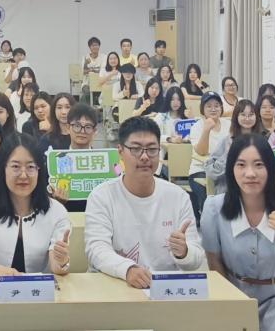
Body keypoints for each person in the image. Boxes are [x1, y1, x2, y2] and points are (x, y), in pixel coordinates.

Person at [201, 134, 275, 331]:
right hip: (232, 295)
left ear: (271, 169)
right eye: (241, 165)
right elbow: (215, 264)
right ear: (231, 169)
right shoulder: (214, 209)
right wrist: (230, 306)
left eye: (259, 165)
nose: (250, 173)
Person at [85, 117, 204, 289]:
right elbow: (96, 249)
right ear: (120, 151)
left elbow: (196, 259)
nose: (144, 156)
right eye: (135, 149)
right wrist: (127, 269)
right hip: (116, 287)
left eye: (152, 149)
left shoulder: (178, 197)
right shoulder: (102, 196)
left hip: (162, 291)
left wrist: (184, 252)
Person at [0, 133, 73, 277]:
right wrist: (9, 276)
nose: (23, 175)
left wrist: (62, 261)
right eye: (16, 166)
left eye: (30, 167)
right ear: (3, 169)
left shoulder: (56, 211)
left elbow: (57, 268)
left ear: (39, 170)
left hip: (41, 289)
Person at [205, 100, 265, 196]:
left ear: (256, 117)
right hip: (229, 192)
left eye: (251, 115)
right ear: (236, 117)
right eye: (243, 115)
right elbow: (211, 172)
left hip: (256, 192)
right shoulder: (226, 141)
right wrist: (228, 156)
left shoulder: (262, 141)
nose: (247, 118)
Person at [187, 92, 232, 219]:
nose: (213, 109)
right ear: (203, 109)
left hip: (223, 170)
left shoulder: (229, 124)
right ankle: (208, 221)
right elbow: (201, 152)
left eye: (217, 105)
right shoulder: (196, 126)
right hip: (200, 170)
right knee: (207, 198)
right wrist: (206, 130)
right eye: (209, 106)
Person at [51, 103, 102, 212]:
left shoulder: (106, 159)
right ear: (68, 128)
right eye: (77, 126)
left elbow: (118, 176)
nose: (82, 131)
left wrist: (119, 170)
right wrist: (56, 201)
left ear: (95, 131)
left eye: (88, 127)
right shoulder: (56, 160)